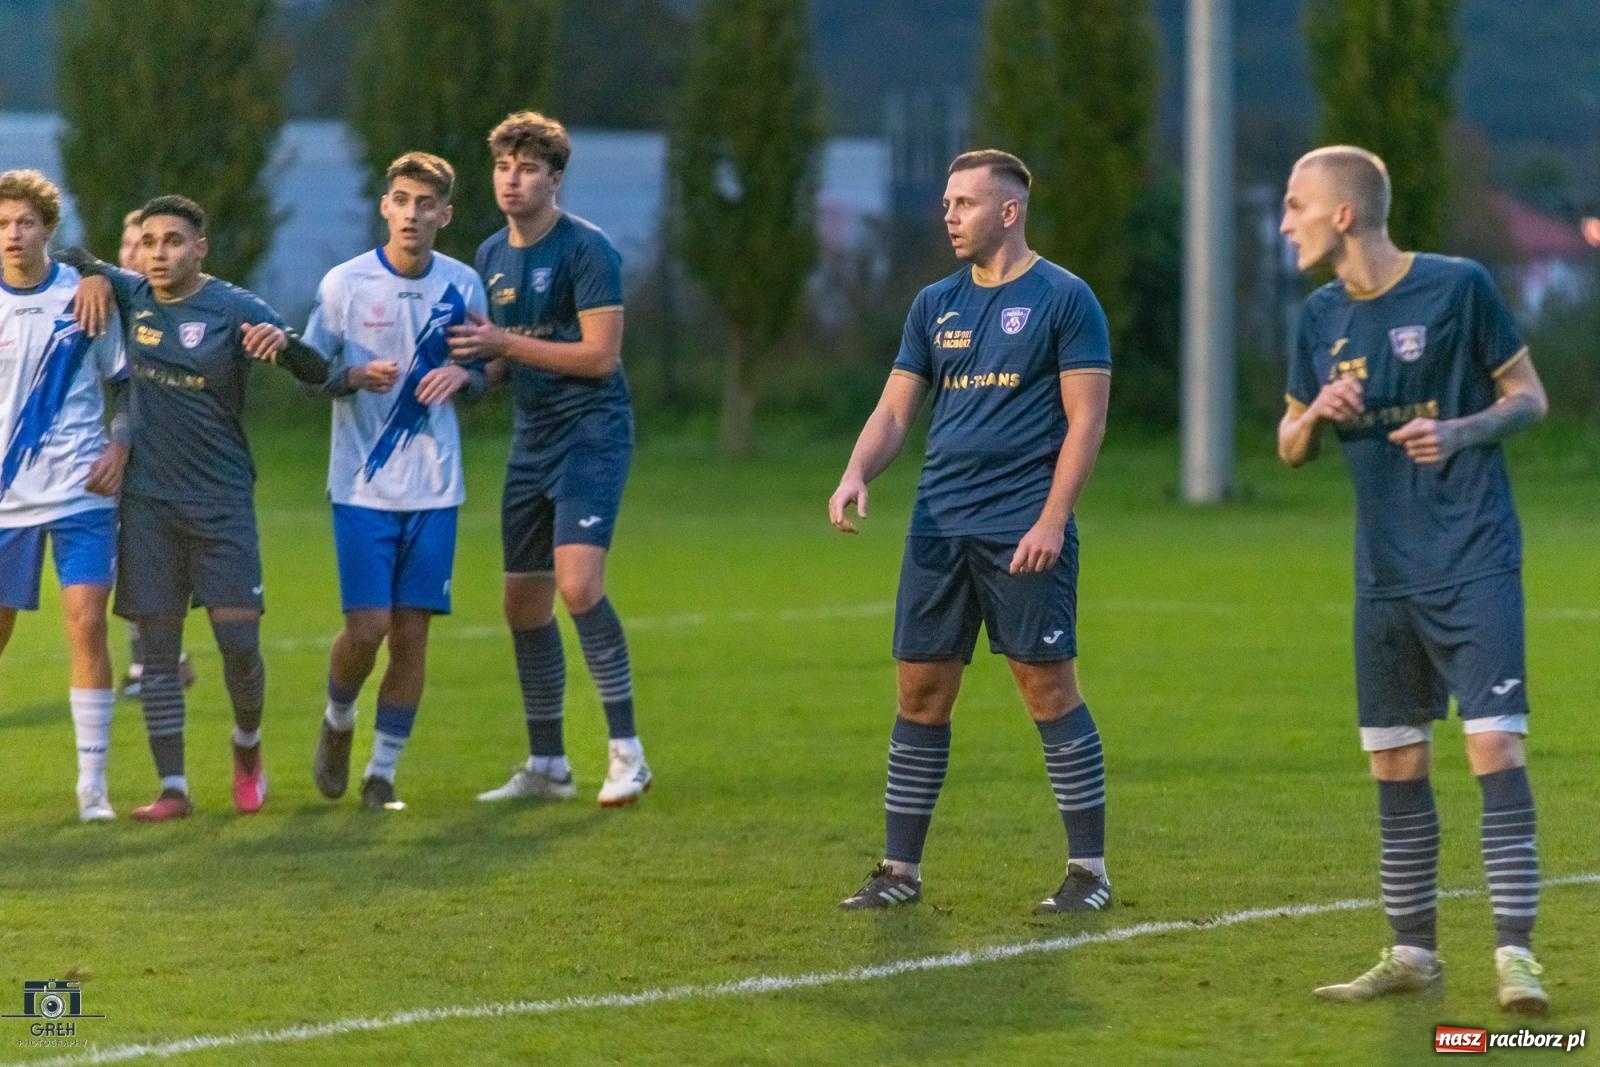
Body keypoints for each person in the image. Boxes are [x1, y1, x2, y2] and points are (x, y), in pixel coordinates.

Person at [1277, 146, 1551, 1014]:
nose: (1284, 222)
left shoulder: (1458, 286)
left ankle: (1515, 957)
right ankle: (1412, 953)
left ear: (1344, 215)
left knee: (1491, 744)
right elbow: (1287, 442)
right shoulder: (1318, 316)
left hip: (1471, 558)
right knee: (1394, 759)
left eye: (1295, 205)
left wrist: (1460, 431)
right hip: (1383, 574)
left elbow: (1530, 397)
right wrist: (1315, 412)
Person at [828, 150, 1113, 912]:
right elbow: (894, 411)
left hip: (1022, 526)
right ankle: (899, 871)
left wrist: (1053, 518)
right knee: (920, 690)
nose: (948, 215)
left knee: (1047, 687)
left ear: (1008, 212)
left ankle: (1089, 871)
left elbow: (1087, 420)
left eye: (963, 203)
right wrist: (857, 472)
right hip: (938, 526)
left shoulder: (1066, 298)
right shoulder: (934, 304)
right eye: (948, 202)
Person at [66, 194, 328, 821]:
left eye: (174, 241)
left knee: (239, 643)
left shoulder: (234, 307)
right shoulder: (133, 294)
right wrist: (95, 271)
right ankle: (173, 788)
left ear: (200, 248)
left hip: (221, 501)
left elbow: (318, 370)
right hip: (150, 503)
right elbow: (68, 253)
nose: (159, 253)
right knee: (157, 652)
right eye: (149, 241)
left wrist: (284, 345)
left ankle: (247, 744)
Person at [449, 110, 650, 808]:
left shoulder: (586, 249)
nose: (513, 179)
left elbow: (600, 356)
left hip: (592, 433)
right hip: (531, 441)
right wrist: (465, 380)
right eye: (504, 166)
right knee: (521, 601)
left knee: (577, 585)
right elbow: (496, 360)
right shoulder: (488, 256)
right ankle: (547, 764)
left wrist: (501, 346)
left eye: (528, 167)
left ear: (554, 178)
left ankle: (627, 753)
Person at [303, 152, 488, 811]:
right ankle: (338, 718)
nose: (412, 213)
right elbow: (308, 369)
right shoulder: (344, 284)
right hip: (361, 487)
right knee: (368, 627)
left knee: (412, 633)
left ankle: (382, 774)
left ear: (445, 214)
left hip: (436, 489)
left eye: (425, 203)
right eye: (401, 200)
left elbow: (487, 371)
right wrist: (352, 376)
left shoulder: (464, 285)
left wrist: (468, 377)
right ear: (385, 206)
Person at [0, 169, 127, 821]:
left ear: (48, 228)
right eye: (2, 224)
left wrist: (121, 446)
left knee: (87, 623)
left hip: (81, 488)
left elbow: (125, 384)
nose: (13, 234)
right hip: (5, 499)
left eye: (24, 222)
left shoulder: (86, 295)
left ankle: (92, 786)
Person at [112, 208, 195, 701]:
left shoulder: (179, 309)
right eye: (129, 245)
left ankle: (159, 660)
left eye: (140, 244)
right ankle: (157, 659)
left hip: (164, 453)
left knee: (149, 556)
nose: (134, 254)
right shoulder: (111, 302)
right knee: (128, 554)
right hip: (111, 445)